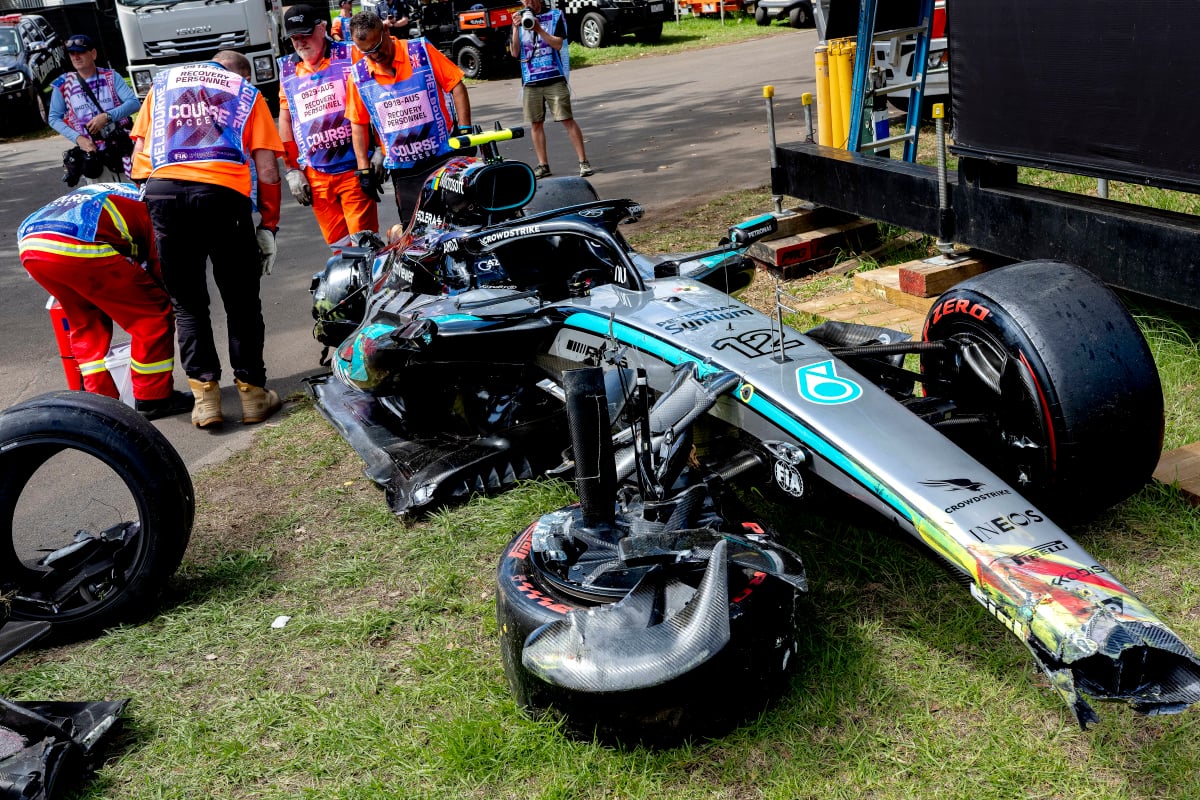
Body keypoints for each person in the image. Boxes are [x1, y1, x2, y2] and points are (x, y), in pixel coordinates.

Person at [130, 50, 285, 429]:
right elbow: (267, 170)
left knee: (187, 303)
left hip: (165, 194)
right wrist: (269, 224)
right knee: (241, 301)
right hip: (222, 197)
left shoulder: (161, 86)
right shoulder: (246, 92)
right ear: (241, 73)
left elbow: (138, 160)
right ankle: (252, 395)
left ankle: (206, 400)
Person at [18, 183, 194, 420]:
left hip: (32, 248)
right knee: (152, 314)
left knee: (86, 324)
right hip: (78, 243)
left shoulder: (121, 192)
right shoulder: (157, 208)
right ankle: (153, 397)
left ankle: (101, 402)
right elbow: (160, 261)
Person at [345, 10, 471, 224]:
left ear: (386, 30)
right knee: (416, 230)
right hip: (404, 170)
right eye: (366, 52)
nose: (375, 55)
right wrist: (364, 170)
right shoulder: (359, 76)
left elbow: (456, 85)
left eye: (377, 46)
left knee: (459, 221)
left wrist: (465, 131)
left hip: (442, 157)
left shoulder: (420, 51)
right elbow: (358, 124)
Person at [277, 4, 380, 245]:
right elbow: (286, 118)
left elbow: (377, 96)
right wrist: (292, 169)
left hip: (355, 169)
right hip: (316, 175)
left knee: (364, 246)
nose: (300, 42)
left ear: (322, 28)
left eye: (305, 35)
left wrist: (381, 149)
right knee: (339, 249)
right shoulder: (288, 69)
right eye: (294, 38)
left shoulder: (351, 54)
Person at [509, 0, 592, 179]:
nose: (529, 3)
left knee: (567, 119)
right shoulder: (519, 19)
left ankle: (583, 162)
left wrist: (539, 29)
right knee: (535, 123)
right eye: (525, 0)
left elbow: (558, 44)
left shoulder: (554, 16)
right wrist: (515, 28)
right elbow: (515, 53)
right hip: (531, 81)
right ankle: (543, 164)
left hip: (554, 77)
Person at [48, 34, 141, 182]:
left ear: (93, 54)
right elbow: (53, 118)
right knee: (101, 196)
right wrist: (78, 139)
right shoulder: (63, 84)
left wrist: (107, 117)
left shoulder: (111, 76)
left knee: (131, 193)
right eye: (72, 53)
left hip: (121, 151)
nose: (76, 57)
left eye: (80, 52)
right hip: (92, 155)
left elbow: (134, 103)